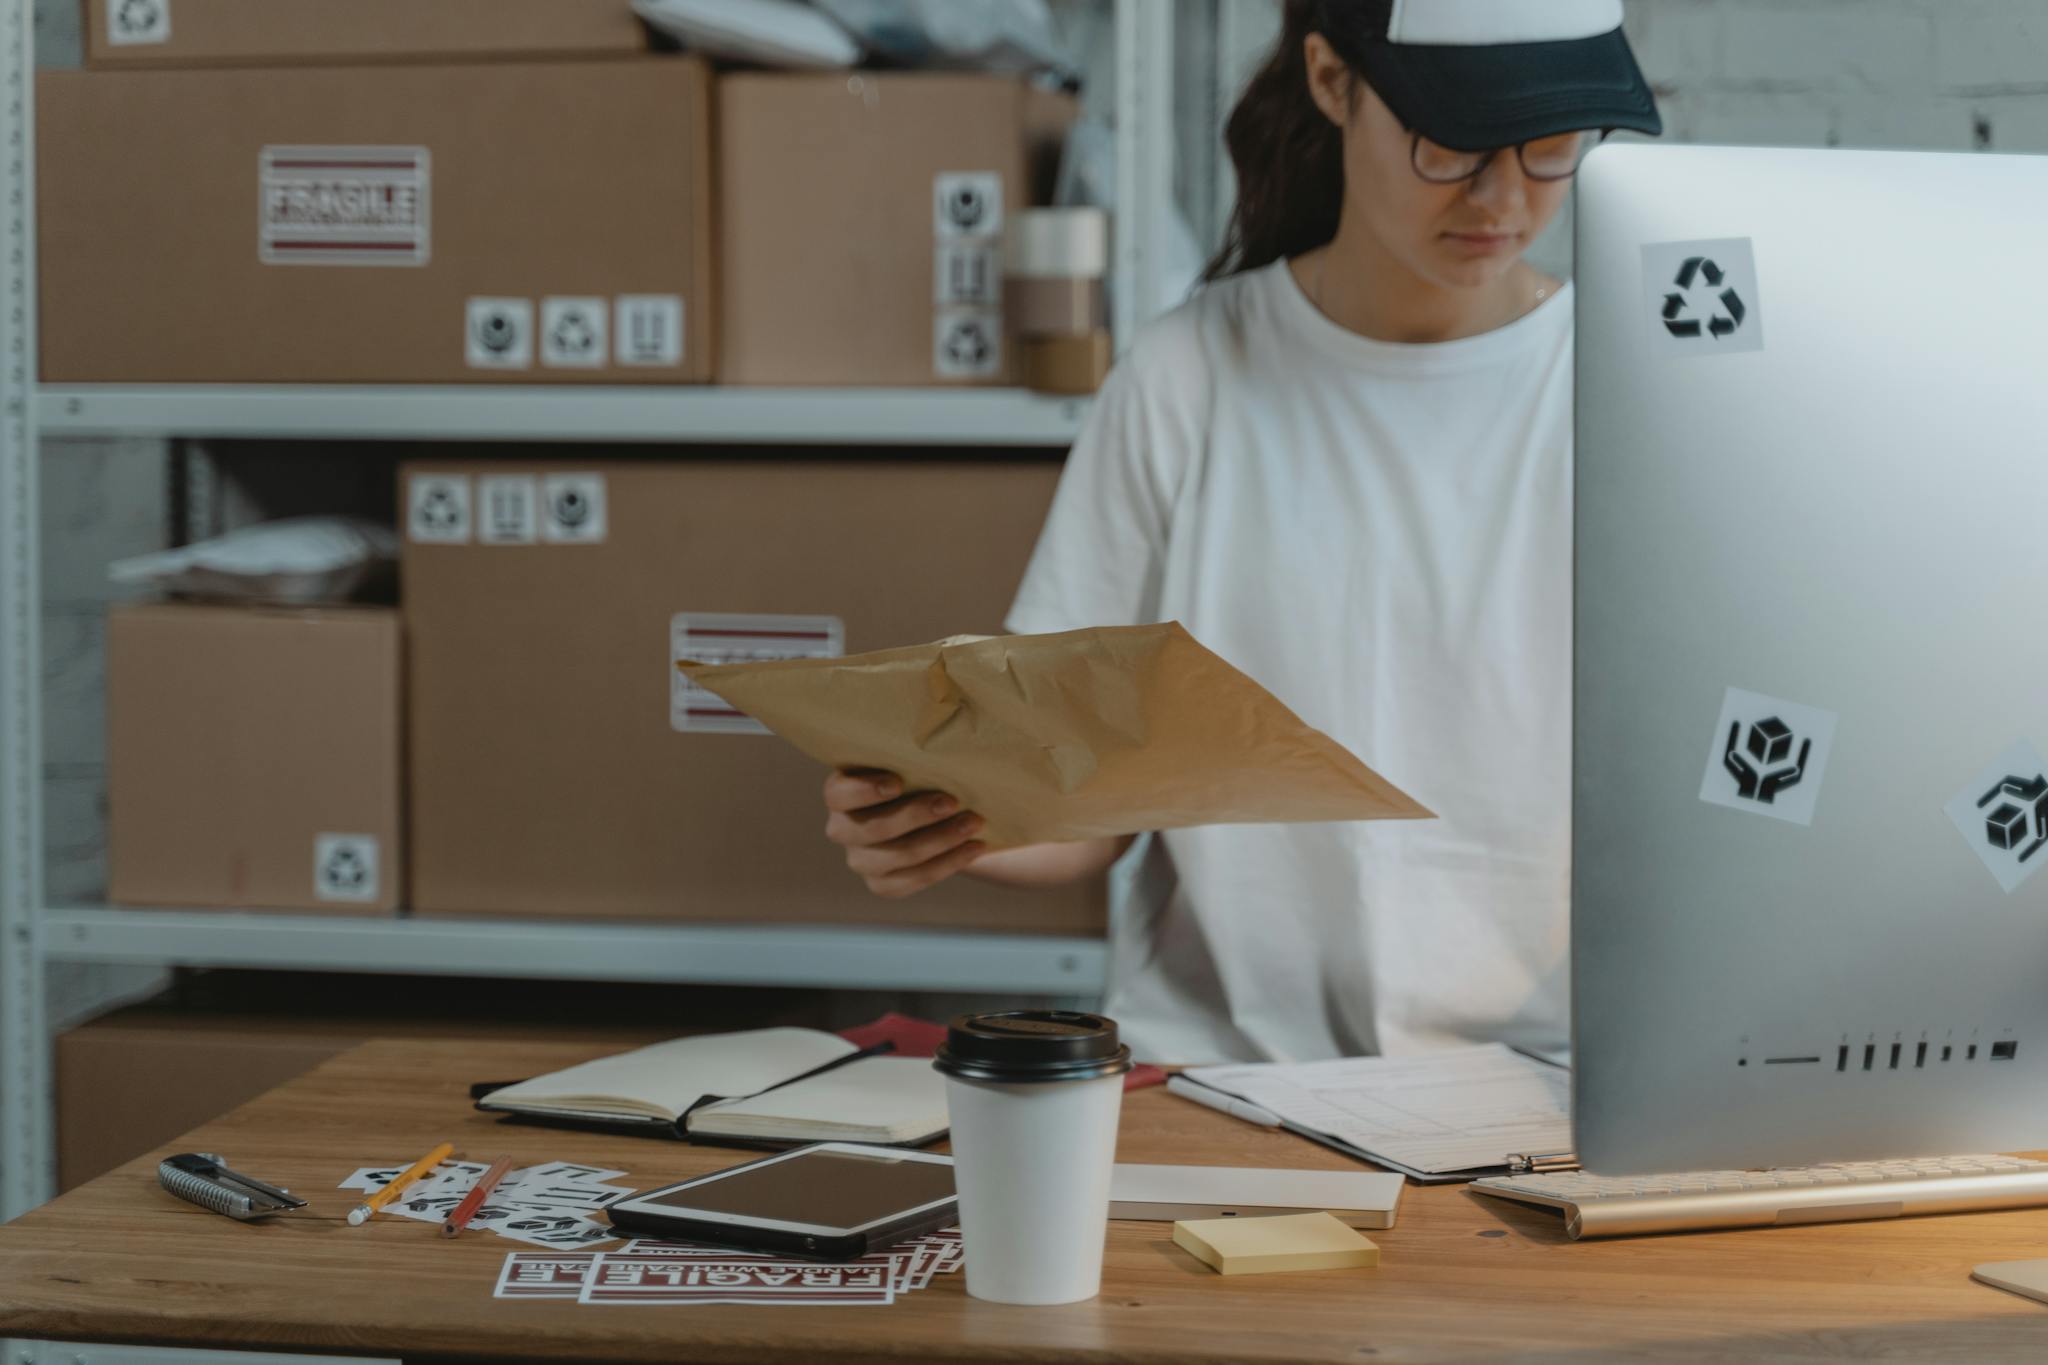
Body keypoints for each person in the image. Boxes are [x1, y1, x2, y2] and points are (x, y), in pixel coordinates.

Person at [822, 0, 1664, 1064]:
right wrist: (937, 818)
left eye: (1548, 147)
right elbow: (1077, 798)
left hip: (1546, 1085)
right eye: (1449, 145)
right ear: (1330, 80)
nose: (1502, 199)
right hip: (1229, 1077)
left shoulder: (1625, 390)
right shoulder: (1187, 380)